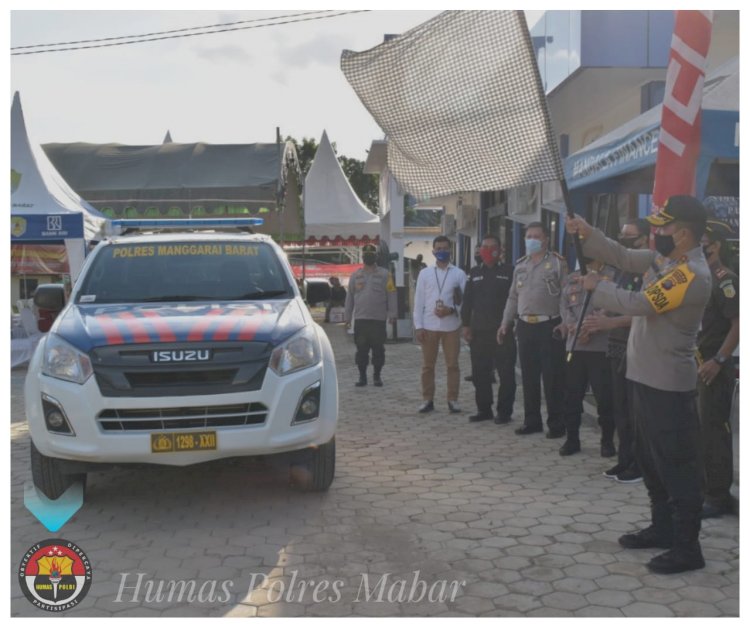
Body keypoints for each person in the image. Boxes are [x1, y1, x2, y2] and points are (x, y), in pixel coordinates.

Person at [566, 195, 712, 575]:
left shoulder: (691, 273)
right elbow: (624, 257)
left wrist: (596, 286)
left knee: (677, 465)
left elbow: (640, 303)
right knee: (650, 460)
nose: (656, 233)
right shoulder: (668, 261)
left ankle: (687, 547)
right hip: (643, 376)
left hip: (668, 385)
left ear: (681, 234)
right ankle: (662, 527)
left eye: (663, 228)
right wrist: (588, 232)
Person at [581, 219, 649, 483]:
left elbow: (645, 313)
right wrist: (599, 318)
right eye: (621, 234)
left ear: (644, 238)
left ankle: (639, 464)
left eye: (629, 236)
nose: (624, 239)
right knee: (619, 409)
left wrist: (611, 321)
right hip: (615, 347)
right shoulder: (620, 270)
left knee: (635, 412)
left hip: (637, 348)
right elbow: (614, 301)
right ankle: (624, 460)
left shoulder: (650, 271)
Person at [498, 222, 567, 438]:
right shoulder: (520, 266)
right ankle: (532, 421)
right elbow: (512, 297)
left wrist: (566, 322)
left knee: (552, 378)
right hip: (525, 326)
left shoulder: (557, 263)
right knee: (529, 377)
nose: (532, 239)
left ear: (546, 239)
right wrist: (505, 323)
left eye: (536, 236)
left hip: (550, 325)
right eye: (528, 236)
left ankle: (556, 424)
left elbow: (567, 296)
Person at [696, 219, 739, 519]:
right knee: (702, 429)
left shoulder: (725, 279)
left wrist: (720, 360)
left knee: (714, 430)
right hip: (698, 362)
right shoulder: (702, 277)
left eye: (705, 239)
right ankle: (708, 487)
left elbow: (739, 324)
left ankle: (719, 494)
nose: (700, 243)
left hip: (715, 365)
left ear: (716, 245)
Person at [558, 258, 615, 457]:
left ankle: (607, 441)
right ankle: (572, 439)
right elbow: (565, 307)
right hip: (575, 346)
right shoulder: (572, 278)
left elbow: (612, 305)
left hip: (600, 348)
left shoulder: (612, 276)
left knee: (605, 398)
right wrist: (574, 326)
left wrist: (588, 327)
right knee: (571, 396)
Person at [461, 234, 516, 423]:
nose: (487, 250)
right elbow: (467, 301)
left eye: (492, 246)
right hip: (479, 332)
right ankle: (484, 410)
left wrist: (510, 324)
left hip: (503, 331)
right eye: (484, 246)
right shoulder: (474, 272)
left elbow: (516, 299)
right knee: (480, 374)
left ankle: (504, 412)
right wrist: (466, 325)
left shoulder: (510, 271)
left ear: (500, 250)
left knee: (506, 374)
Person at [413, 235, 467, 414]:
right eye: (439, 249)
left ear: (450, 250)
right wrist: (418, 326)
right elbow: (418, 301)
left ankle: (453, 399)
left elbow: (465, 302)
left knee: (452, 365)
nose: (442, 251)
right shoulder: (425, 273)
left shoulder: (458, 274)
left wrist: (451, 310)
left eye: (445, 248)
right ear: (433, 251)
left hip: (451, 326)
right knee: (428, 366)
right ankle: (427, 400)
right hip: (429, 325)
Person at [344, 244, 397, 387]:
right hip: (361, 320)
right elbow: (349, 297)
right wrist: (347, 317)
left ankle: (377, 376)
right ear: (362, 256)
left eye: (371, 253)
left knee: (378, 350)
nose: (369, 256)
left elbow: (391, 294)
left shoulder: (386, 274)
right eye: (366, 253)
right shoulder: (355, 276)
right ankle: (362, 377)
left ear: (376, 256)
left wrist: (392, 313)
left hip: (378, 320)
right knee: (361, 350)